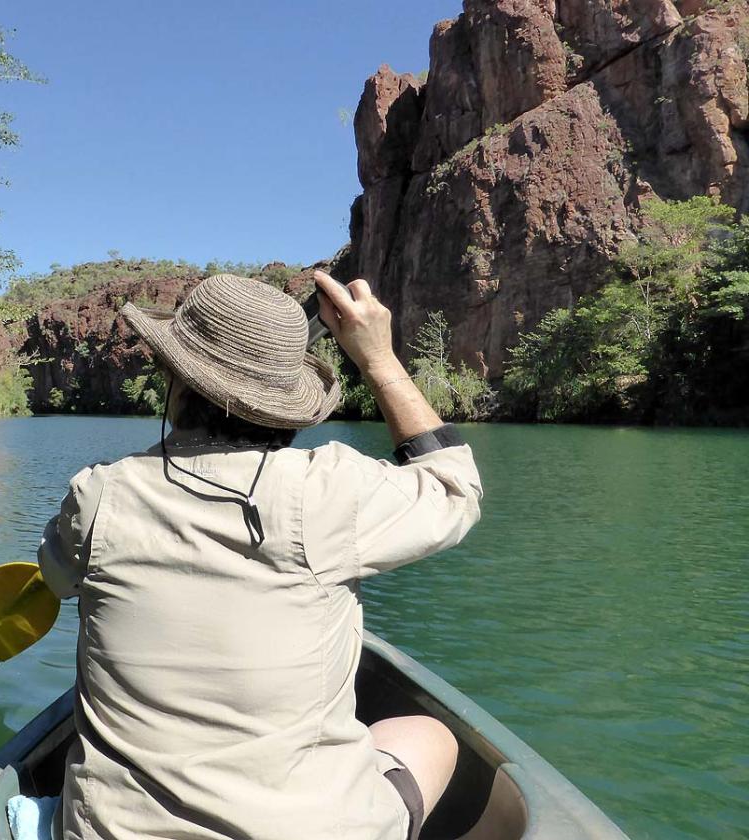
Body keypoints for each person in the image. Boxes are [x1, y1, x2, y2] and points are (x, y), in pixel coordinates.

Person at [37, 270, 483, 840]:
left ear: (174, 377)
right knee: (431, 737)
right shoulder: (331, 490)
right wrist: (378, 359)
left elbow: (56, 579)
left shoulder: (99, 494)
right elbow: (453, 488)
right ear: (289, 401)